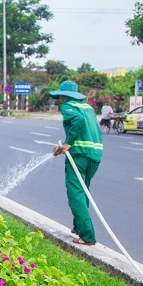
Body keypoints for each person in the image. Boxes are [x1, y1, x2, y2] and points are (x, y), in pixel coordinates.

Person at [51, 81, 103, 246]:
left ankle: (87, 236)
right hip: (94, 155)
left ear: (64, 95)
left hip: (79, 155)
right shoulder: (88, 108)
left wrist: (68, 143)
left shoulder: (67, 106)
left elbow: (78, 121)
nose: (60, 98)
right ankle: (79, 227)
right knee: (84, 191)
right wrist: (63, 147)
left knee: (75, 195)